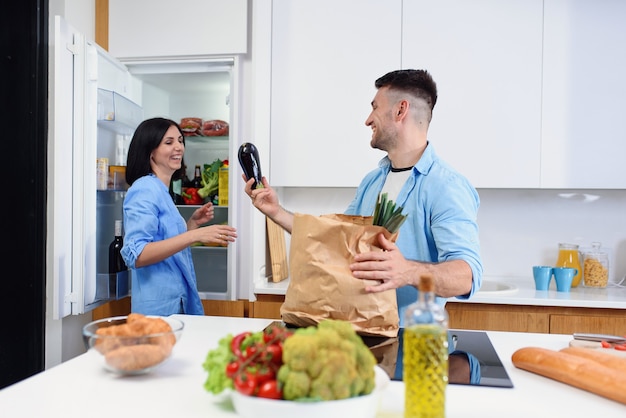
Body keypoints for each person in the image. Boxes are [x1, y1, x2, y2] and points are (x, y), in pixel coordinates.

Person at [243, 69, 482, 325]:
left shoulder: (446, 186)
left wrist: (407, 272)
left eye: (375, 107)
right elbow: (335, 236)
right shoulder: (373, 181)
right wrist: (276, 212)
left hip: (411, 342)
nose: (368, 120)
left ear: (400, 110)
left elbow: (466, 275)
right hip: (360, 332)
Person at [122, 117, 237, 316]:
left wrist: (192, 224)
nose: (179, 147)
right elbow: (137, 255)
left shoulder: (160, 190)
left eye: (180, 140)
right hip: (158, 313)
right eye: (169, 142)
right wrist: (195, 236)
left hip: (176, 305)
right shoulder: (144, 189)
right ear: (150, 151)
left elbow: (167, 244)